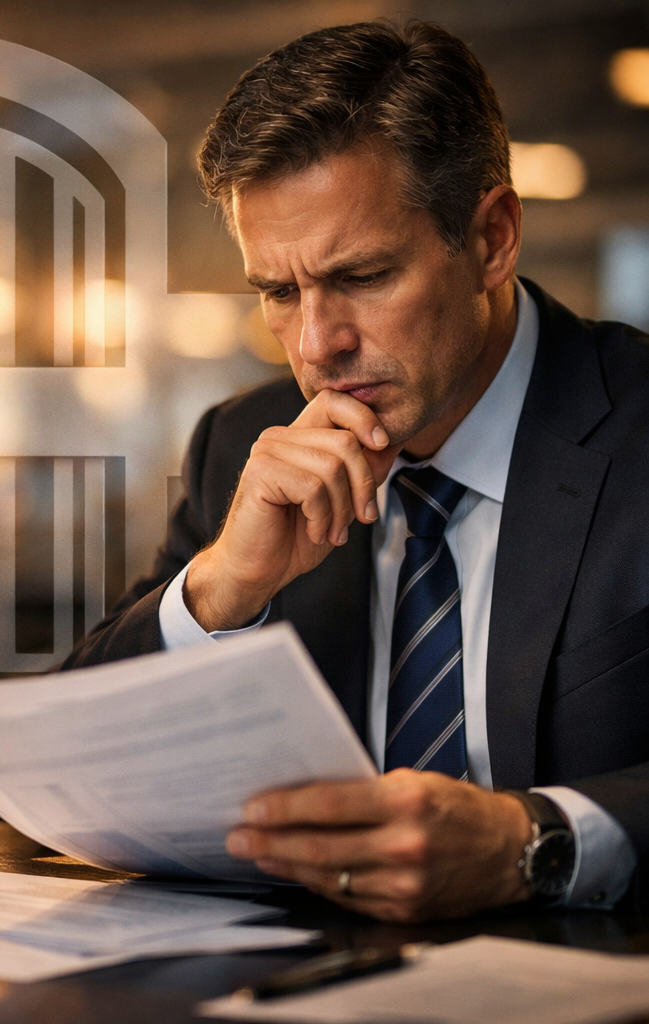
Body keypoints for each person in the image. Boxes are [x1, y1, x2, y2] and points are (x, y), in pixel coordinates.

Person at [62, 19, 649, 923]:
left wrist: (531, 841)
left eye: (365, 276)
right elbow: (74, 759)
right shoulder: (243, 442)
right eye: (279, 292)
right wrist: (221, 588)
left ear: (492, 238)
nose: (316, 345)